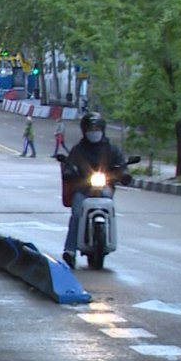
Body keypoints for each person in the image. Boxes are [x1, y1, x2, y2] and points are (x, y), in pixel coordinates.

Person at [60, 112, 128, 269]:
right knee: (77, 214)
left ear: (103, 130)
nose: (94, 132)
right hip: (82, 188)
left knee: (109, 206)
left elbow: (121, 165)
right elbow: (70, 165)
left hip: (105, 186)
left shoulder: (111, 149)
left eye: (97, 128)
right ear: (84, 131)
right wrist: (69, 173)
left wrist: (124, 174)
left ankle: (108, 237)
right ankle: (70, 250)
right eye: (91, 129)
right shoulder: (78, 150)